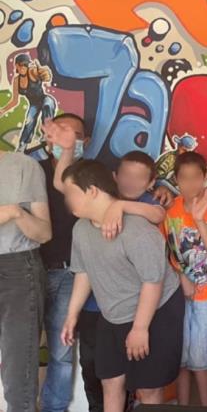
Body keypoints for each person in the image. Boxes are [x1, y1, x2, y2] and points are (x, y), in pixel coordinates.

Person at [43, 121, 168, 411]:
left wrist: (121, 206)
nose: (130, 182)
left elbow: (158, 215)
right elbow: (63, 184)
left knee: (144, 382)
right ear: (114, 176)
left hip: (139, 307)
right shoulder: (85, 219)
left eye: (139, 177)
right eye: (126, 175)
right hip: (99, 307)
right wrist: (66, 149)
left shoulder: (135, 213)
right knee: (103, 375)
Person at [59, 160, 182, 412]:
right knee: (111, 382)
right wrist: (71, 315)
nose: (67, 200)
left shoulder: (136, 229)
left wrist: (140, 328)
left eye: (70, 193)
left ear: (92, 191)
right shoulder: (81, 229)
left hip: (155, 311)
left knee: (148, 389)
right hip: (113, 314)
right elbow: (83, 272)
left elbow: (153, 281)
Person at [161, 152, 207, 407]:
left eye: (196, 177)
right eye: (184, 178)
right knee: (180, 359)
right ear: (176, 180)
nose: (191, 184)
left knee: (201, 359)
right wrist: (181, 277)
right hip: (177, 292)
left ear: (205, 177)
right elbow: (164, 253)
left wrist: (200, 220)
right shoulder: (170, 209)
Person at [38, 113, 89, 412]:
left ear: (86, 141)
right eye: (60, 132)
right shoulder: (33, 170)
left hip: (71, 275)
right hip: (31, 272)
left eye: (75, 135)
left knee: (61, 352)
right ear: (49, 138)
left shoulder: (90, 176)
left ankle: (53, 408)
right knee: (22, 348)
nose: (67, 139)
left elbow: (65, 184)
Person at [0, 151, 51, 412]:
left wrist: (15, 212)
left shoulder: (23, 166)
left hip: (17, 269)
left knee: (18, 370)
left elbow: (44, 233)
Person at [0, 53, 56, 152]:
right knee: (29, 121)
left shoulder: (32, 72)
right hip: (34, 104)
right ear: (16, 65)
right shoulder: (16, 80)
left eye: (26, 65)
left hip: (44, 99)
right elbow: (14, 101)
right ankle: (23, 144)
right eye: (21, 65)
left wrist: (44, 73)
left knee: (48, 105)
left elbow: (44, 75)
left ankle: (46, 134)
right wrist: (3, 110)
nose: (24, 67)